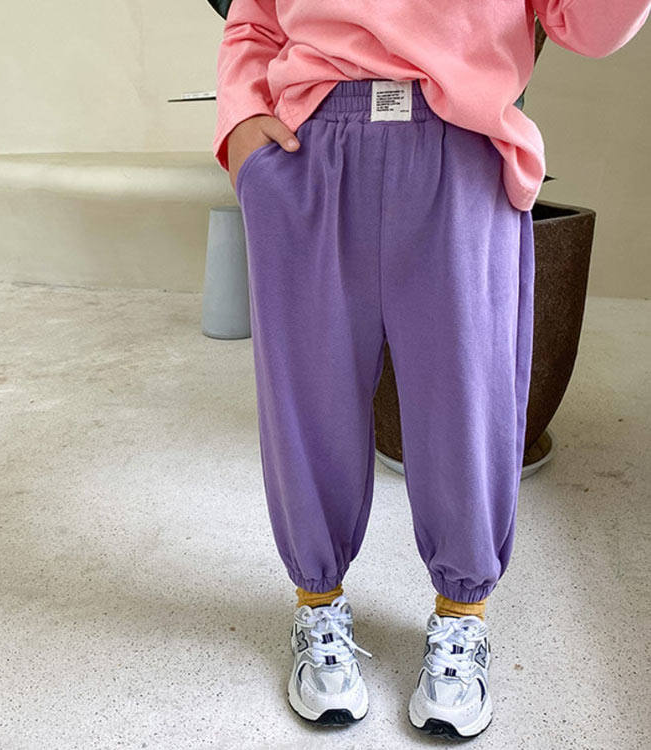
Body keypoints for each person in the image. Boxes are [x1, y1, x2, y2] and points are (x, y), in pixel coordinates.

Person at [212, 0, 650, 740]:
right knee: (306, 396)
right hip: (309, 148)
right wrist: (241, 124)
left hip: (463, 145)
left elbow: (591, 25)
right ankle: (317, 605)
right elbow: (254, 17)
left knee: (468, 401)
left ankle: (462, 616)